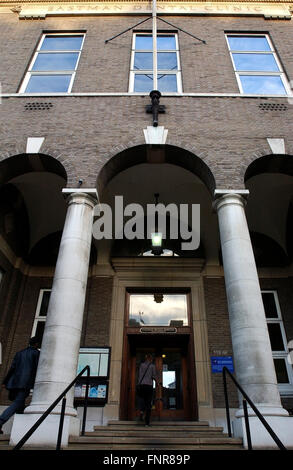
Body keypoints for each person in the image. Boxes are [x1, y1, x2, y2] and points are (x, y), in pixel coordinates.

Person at [0, 336, 40, 434]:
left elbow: (12, 368)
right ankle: (0, 421)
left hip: (15, 382)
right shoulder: (37, 354)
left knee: (20, 406)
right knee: (18, 403)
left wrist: (5, 382)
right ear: (36, 344)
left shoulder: (19, 353)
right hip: (25, 383)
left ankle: (20, 430)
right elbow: (37, 369)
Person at [137, 353, 160, 426]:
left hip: (142, 385)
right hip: (149, 386)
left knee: (142, 400)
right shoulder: (152, 366)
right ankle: (147, 423)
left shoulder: (141, 365)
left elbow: (140, 376)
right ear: (150, 359)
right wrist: (158, 383)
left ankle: (141, 412)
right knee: (148, 403)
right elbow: (153, 376)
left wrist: (139, 384)